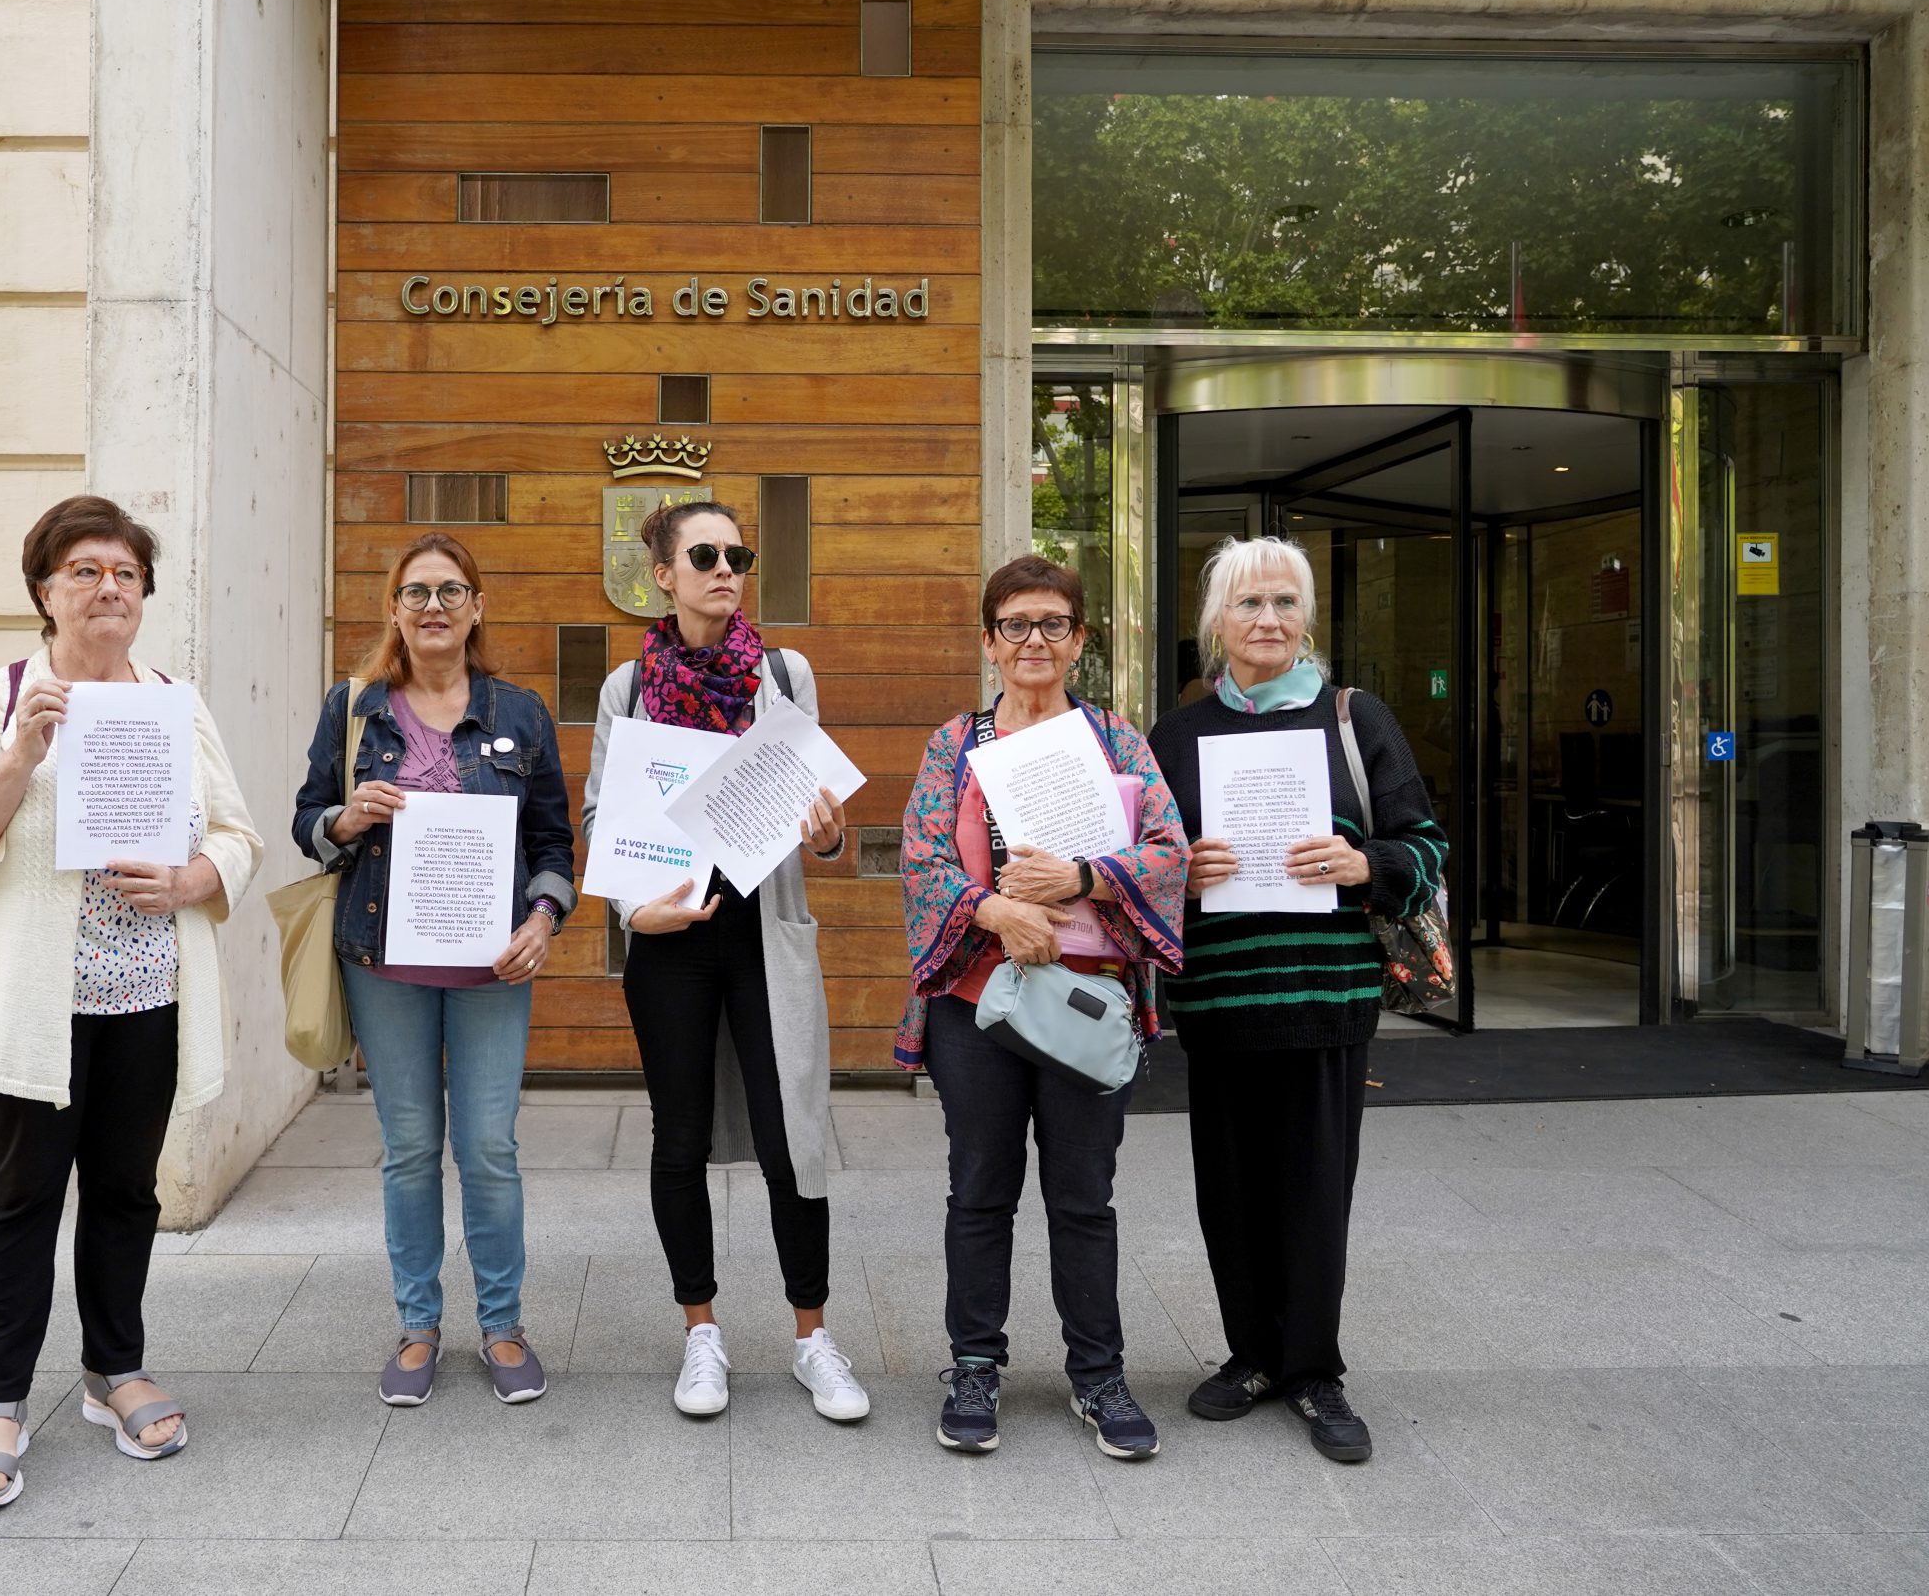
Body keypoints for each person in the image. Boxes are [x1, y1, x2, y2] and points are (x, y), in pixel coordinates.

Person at [0, 494, 263, 1510]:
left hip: (144, 991)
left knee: (124, 1191)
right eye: (85, 572)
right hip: (31, 1000)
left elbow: (236, 832)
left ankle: (115, 1370)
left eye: (126, 574)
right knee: (16, 1198)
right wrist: (18, 753)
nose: (108, 589)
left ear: (144, 594)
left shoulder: (174, 703)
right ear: (44, 591)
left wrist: (198, 877)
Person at [1146, 534, 1448, 1465]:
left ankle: (1314, 1369)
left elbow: (1426, 845)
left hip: (1325, 996)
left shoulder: (1356, 720)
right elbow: (1140, 866)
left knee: (1316, 1190)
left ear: (1306, 617)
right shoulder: (1179, 734)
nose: (1267, 620)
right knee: (1229, 1192)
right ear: (1216, 624)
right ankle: (1250, 1354)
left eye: (1284, 602)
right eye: (1248, 604)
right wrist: (1178, 873)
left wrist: (1367, 863)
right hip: (1225, 1001)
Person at [579, 498, 866, 1424]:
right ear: (660, 573)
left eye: (736, 552)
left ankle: (812, 1336)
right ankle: (701, 1331)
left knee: (795, 1141)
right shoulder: (627, 687)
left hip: (765, 935)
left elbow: (820, 821)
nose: (724, 566)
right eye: (702, 553)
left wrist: (827, 835)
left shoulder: (783, 674)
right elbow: (598, 817)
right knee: (680, 1135)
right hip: (672, 942)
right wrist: (632, 910)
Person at [897, 555, 1191, 1459]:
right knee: (979, 1190)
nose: (1034, 639)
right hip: (977, 1002)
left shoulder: (1115, 740)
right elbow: (920, 859)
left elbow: (1169, 849)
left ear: (1080, 639)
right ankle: (975, 1362)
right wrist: (993, 908)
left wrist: (1083, 877)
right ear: (989, 640)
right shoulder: (956, 742)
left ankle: (1098, 1373)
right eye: (1015, 623)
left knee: (1083, 1194)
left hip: (1086, 1005)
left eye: (1053, 623)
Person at [293, 533, 576, 1409]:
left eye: (451, 592)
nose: (434, 607)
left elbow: (554, 842)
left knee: (488, 1148)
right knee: (410, 1148)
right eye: (416, 593)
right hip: (385, 961)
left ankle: (502, 1325)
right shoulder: (354, 707)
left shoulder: (520, 713)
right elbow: (306, 817)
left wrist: (544, 916)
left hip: (491, 965)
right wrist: (344, 818)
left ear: (478, 607)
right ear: (394, 608)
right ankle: (419, 1325)